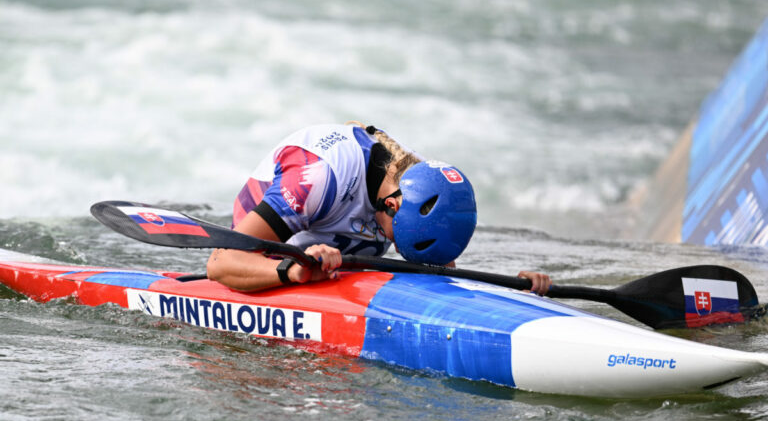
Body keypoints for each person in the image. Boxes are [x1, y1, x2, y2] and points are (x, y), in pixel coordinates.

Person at [206, 122, 551, 293]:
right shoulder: (317, 180)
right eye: (404, 242)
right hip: (266, 256)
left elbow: (442, 272)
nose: (404, 250)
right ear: (391, 205)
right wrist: (292, 271)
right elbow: (219, 263)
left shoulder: (416, 185)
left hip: (337, 254)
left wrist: (510, 289)